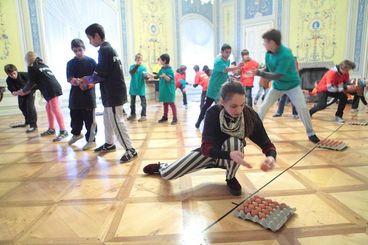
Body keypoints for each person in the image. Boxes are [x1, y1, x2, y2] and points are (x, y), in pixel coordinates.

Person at [143, 81, 277, 196]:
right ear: (222, 102)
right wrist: (228, 154)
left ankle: (230, 177)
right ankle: (164, 167)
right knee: (168, 175)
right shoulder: (213, 113)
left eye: (242, 104)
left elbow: (266, 143)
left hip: (231, 158)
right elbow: (206, 148)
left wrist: (271, 157)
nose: (239, 110)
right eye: (234, 106)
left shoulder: (249, 115)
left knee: (234, 142)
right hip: (210, 154)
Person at [255, 29, 320, 143]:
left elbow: (278, 75)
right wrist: (258, 70)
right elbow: (268, 69)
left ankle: (311, 133)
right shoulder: (268, 54)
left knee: (302, 108)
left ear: (272, 42)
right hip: (278, 86)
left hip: (292, 85)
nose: (263, 44)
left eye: (265, 41)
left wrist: (259, 73)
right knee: (264, 106)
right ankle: (254, 130)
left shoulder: (286, 54)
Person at [85, 23, 137, 163]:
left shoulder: (104, 50)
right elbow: (103, 72)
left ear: (96, 36)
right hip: (111, 92)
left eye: (90, 38)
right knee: (107, 120)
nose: (90, 42)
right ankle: (109, 144)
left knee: (116, 121)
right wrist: (89, 79)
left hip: (113, 93)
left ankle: (130, 149)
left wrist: (85, 80)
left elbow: (101, 73)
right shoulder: (108, 49)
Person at [16, 51, 68, 142]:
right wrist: (24, 90)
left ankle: (63, 131)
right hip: (54, 87)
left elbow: (31, 83)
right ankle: (51, 129)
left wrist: (23, 91)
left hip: (50, 89)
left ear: (28, 60)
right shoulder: (43, 65)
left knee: (55, 108)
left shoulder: (32, 68)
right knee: (48, 108)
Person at [195, 44, 242, 128]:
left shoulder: (227, 61)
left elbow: (225, 73)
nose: (228, 54)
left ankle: (222, 125)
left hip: (221, 88)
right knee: (207, 106)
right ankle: (199, 121)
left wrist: (230, 78)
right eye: (226, 52)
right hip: (213, 87)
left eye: (229, 53)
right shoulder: (218, 61)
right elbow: (225, 69)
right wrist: (237, 67)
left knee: (222, 106)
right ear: (222, 52)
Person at [66, 38, 97, 150]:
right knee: (75, 118)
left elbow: (96, 78)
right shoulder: (70, 63)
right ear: (72, 51)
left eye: (80, 50)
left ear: (84, 48)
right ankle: (76, 134)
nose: (78, 52)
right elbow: (69, 78)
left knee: (90, 121)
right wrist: (75, 81)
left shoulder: (92, 62)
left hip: (88, 97)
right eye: (75, 51)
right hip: (75, 97)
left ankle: (91, 140)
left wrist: (85, 82)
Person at [4, 64, 38, 132]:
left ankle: (33, 125)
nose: (13, 76)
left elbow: (35, 83)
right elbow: (13, 91)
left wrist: (26, 91)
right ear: (8, 74)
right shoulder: (8, 80)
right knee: (21, 106)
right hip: (21, 93)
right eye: (11, 75)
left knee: (30, 106)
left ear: (16, 70)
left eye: (14, 73)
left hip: (30, 91)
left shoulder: (25, 75)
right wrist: (18, 92)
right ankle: (27, 121)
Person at [155, 53, 177, 125]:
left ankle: (175, 118)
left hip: (169, 90)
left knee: (171, 103)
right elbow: (157, 76)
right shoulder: (162, 69)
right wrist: (149, 74)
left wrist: (164, 76)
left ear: (164, 61)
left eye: (160, 60)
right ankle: (165, 117)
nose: (159, 61)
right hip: (164, 90)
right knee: (165, 103)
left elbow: (168, 79)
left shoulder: (170, 70)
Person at [127, 53, 148, 122]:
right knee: (132, 103)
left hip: (141, 87)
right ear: (135, 59)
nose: (139, 60)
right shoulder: (132, 67)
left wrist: (146, 77)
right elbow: (131, 73)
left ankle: (143, 115)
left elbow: (145, 77)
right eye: (137, 58)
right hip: (133, 87)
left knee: (143, 102)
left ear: (142, 59)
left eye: (140, 58)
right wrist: (136, 66)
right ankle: (133, 114)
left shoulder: (143, 68)